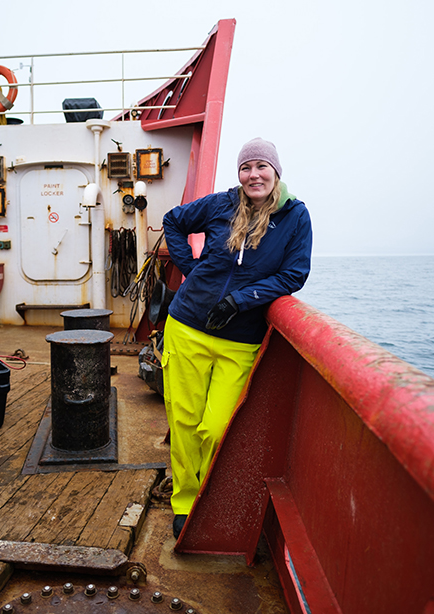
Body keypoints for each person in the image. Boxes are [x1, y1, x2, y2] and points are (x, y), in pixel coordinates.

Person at [161, 137, 312, 539]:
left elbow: (294, 274)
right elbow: (173, 220)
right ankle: (185, 503)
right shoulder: (221, 203)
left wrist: (240, 300)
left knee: (217, 427)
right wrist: (190, 267)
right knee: (185, 421)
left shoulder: (295, 217)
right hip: (188, 326)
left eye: (262, 166)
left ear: (276, 172)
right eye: (247, 167)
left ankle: (209, 496)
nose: (254, 175)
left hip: (241, 339)